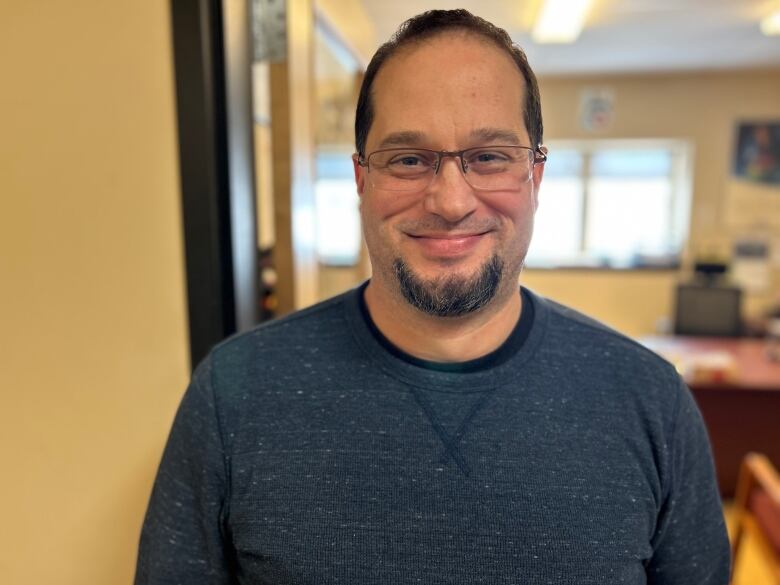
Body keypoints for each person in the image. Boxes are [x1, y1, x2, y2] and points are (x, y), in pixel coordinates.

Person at [135, 9, 729, 584]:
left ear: (536, 180)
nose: (450, 202)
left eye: (490, 156)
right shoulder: (232, 395)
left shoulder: (651, 402)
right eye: (409, 159)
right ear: (362, 179)